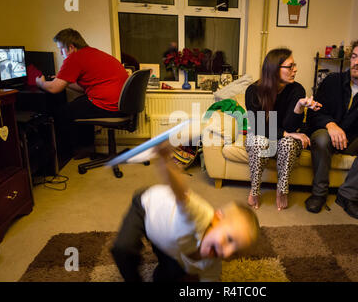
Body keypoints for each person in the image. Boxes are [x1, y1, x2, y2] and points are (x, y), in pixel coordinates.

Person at [111, 142, 260, 282]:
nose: (226, 253)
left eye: (234, 253)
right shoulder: (199, 215)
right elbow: (181, 192)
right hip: (147, 207)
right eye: (229, 239)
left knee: (171, 275)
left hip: (169, 241)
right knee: (123, 249)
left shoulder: (211, 264)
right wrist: (166, 160)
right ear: (217, 217)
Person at [305, 36, 358, 220]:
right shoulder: (332, 81)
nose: (356, 62)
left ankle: (347, 196)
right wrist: (331, 125)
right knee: (321, 137)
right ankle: (319, 193)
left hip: (354, 139)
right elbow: (313, 114)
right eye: (354, 56)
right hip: (327, 136)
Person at [244, 48, 321, 211]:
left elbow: (291, 127)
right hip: (262, 135)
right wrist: (286, 133)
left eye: (295, 65)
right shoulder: (253, 91)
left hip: (283, 140)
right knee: (258, 141)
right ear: (274, 69)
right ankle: (255, 189)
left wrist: (299, 107)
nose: (295, 69)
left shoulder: (297, 90)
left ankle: (282, 190)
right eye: (290, 66)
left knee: (289, 143)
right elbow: (257, 126)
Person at [35, 28, 129, 159]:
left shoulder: (74, 57)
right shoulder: (94, 53)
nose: (61, 53)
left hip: (108, 105)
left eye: (61, 49)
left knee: (63, 113)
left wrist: (40, 83)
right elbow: (87, 87)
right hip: (120, 104)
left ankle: (64, 154)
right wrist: (66, 81)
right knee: (80, 104)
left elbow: (53, 89)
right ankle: (86, 148)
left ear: (71, 47)